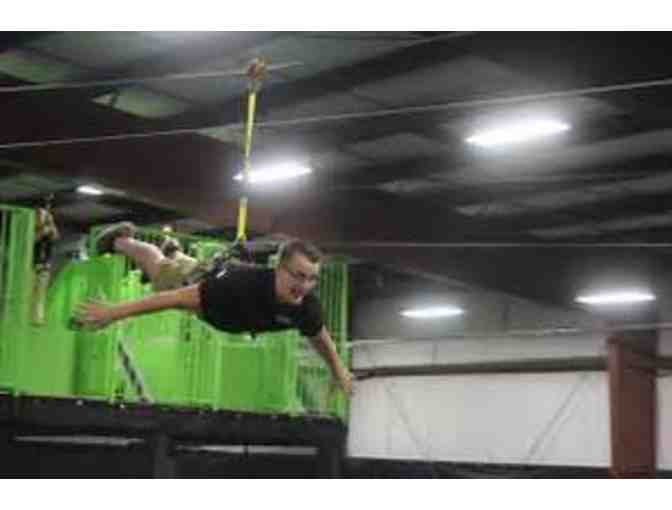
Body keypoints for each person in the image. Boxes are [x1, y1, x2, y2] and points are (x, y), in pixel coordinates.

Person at [76, 236, 354, 396]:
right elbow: (173, 299)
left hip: (218, 286)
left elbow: (320, 337)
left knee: (182, 264)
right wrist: (113, 312)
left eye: (312, 279)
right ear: (279, 268)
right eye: (298, 276)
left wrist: (338, 370)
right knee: (158, 268)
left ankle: (174, 250)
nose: (304, 286)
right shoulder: (241, 287)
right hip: (202, 290)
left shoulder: (307, 307)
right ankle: (121, 239)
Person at [32, 194, 60, 325]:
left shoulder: (49, 228)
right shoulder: (30, 228)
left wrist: (50, 222)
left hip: (44, 265)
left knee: (40, 293)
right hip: (32, 265)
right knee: (29, 292)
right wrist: (43, 228)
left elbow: (55, 236)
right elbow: (34, 238)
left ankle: (37, 318)